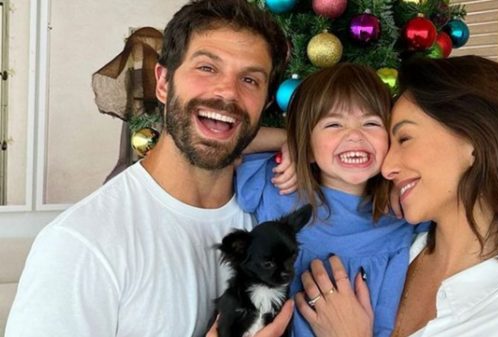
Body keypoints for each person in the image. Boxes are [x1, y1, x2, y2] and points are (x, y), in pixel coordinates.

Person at [5, 1, 288, 336]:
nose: (228, 91)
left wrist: (294, 141)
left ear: (265, 104)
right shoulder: (81, 244)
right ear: (164, 82)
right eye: (207, 68)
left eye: (250, 79)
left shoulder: (272, 211)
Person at [293, 55, 498, 337]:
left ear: (475, 141)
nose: (387, 166)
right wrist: (292, 144)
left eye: (404, 139)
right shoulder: (394, 245)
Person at [235, 63, 425, 337]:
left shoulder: (401, 216)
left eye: (371, 123)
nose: (355, 135)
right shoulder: (278, 184)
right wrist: (291, 143)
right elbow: (227, 143)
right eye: (334, 124)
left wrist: (400, 179)